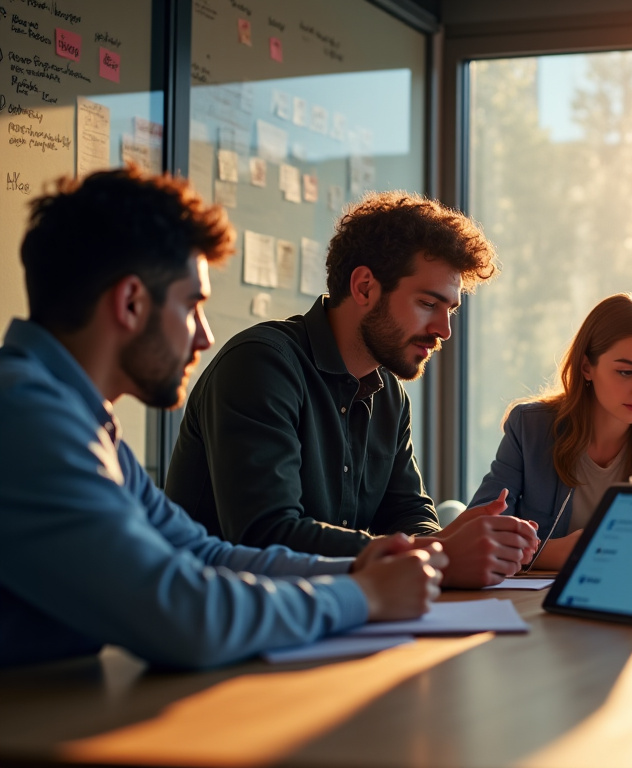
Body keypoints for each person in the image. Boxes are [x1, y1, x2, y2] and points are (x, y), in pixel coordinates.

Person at [0, 167, 446, 669]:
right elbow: (186, 615)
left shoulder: (76, 421)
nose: (204, 337)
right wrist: (364, 597)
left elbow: (203, 554)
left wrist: (360, 568)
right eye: (193, 305)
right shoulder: (25, 420)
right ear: (129, 303)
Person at [165, 192, 538, 588]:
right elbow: (267, 536)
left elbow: (409, 513)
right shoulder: (260, 365)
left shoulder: (389, 394)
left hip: (334, 617)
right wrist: (438, 553)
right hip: (234, 625)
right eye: (429, 303)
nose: (444, 330)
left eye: (450, 310)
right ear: (364, 287)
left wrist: (451, 543)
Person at [468, 293, 632, 569]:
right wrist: (555, 553)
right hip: (532, 599)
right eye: (626, 372)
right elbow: (481, 532)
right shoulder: (530, 427)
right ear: (587, 367)